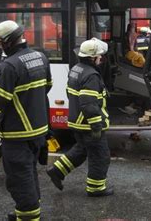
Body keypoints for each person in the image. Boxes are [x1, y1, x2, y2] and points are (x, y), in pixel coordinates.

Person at [0, 20, 52, 221]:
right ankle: (25, 211)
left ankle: (28, 216)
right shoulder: (40, 57)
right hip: (38, 130)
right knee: (29, 174)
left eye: (1, 43)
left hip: (17, 133)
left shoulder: (8, 66)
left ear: (7, 43)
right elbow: (46, 87)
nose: (0, 47)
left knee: (19, 179)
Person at [46, 38, 114, 197]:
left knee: (81, 150)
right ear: (92, 58)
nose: (101, 59)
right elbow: (89, 104)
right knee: (100, 156)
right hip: (88, 124)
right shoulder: (91, 75)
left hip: (77, 122)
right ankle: (96, 188)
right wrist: (96, 125)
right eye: (99, 56)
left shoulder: (76, 69)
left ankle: (57, 171)